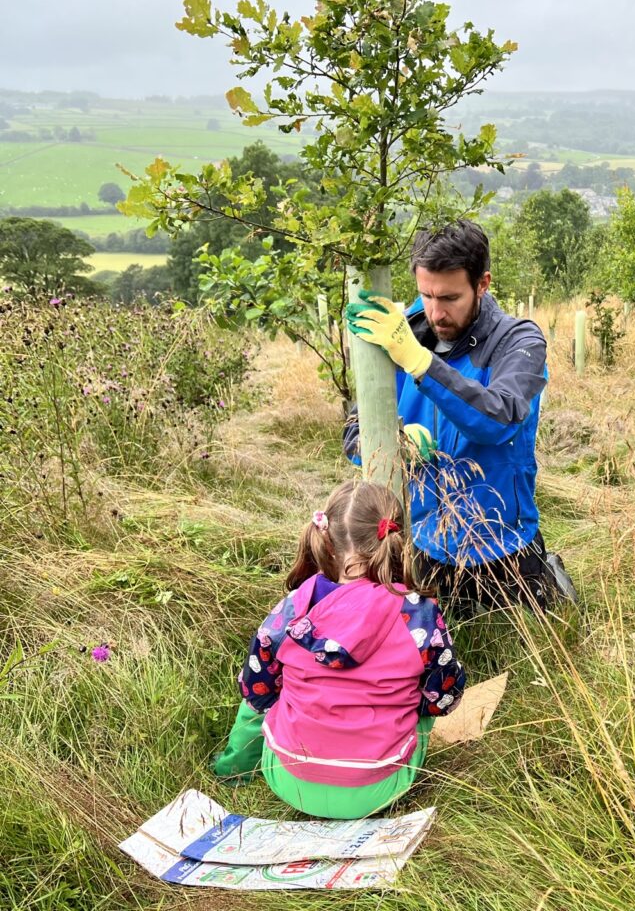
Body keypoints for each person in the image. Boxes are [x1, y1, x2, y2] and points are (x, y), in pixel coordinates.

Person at [343, 219, 575, 613]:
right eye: (426, 295)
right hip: (423, 541)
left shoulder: (519, 342)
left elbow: (499, 418)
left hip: (502, 543)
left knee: (531, 631)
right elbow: (353, 432)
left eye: (450, 298)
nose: (436, 312)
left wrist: (421, 363)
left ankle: (549, 579)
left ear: (482, 284)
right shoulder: (403, 335)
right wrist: (389, 443)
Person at [211, 479, 465, 819]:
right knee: (427, 700)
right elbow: (445, 694)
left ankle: (233, 769)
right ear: (396, 538)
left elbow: (257, 691)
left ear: (326, 540)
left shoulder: (292, 608)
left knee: (259, 693)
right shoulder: (418, 613)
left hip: (289, 780)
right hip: (378, 789)